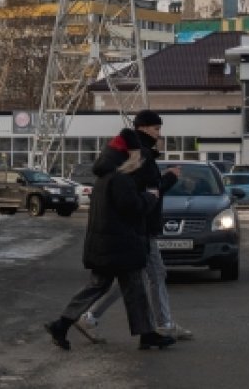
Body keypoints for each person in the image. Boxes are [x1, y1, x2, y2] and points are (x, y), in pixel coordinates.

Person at [43, 128, 175, 352]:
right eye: (136, 157)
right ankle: (146, 335)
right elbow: (131, 207)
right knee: (128, 290)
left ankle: (63, 324)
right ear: (127, 158)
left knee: (115, 287)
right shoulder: (120, 179)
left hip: (109, 244)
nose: (139, 162)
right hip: (120, 245)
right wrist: (150, 197)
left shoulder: (106, 177)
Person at [76, 109, 194, 343]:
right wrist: (169, 177)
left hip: (136, 226)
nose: (159, 134)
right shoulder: (139, 155)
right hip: (140, 226)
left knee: (133, 277)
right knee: (152, 274)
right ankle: (164, 325)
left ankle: (90, 316)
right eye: (156, 129)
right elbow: (149, 190)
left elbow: (143, 188)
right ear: (143, 128)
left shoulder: (137, 153)